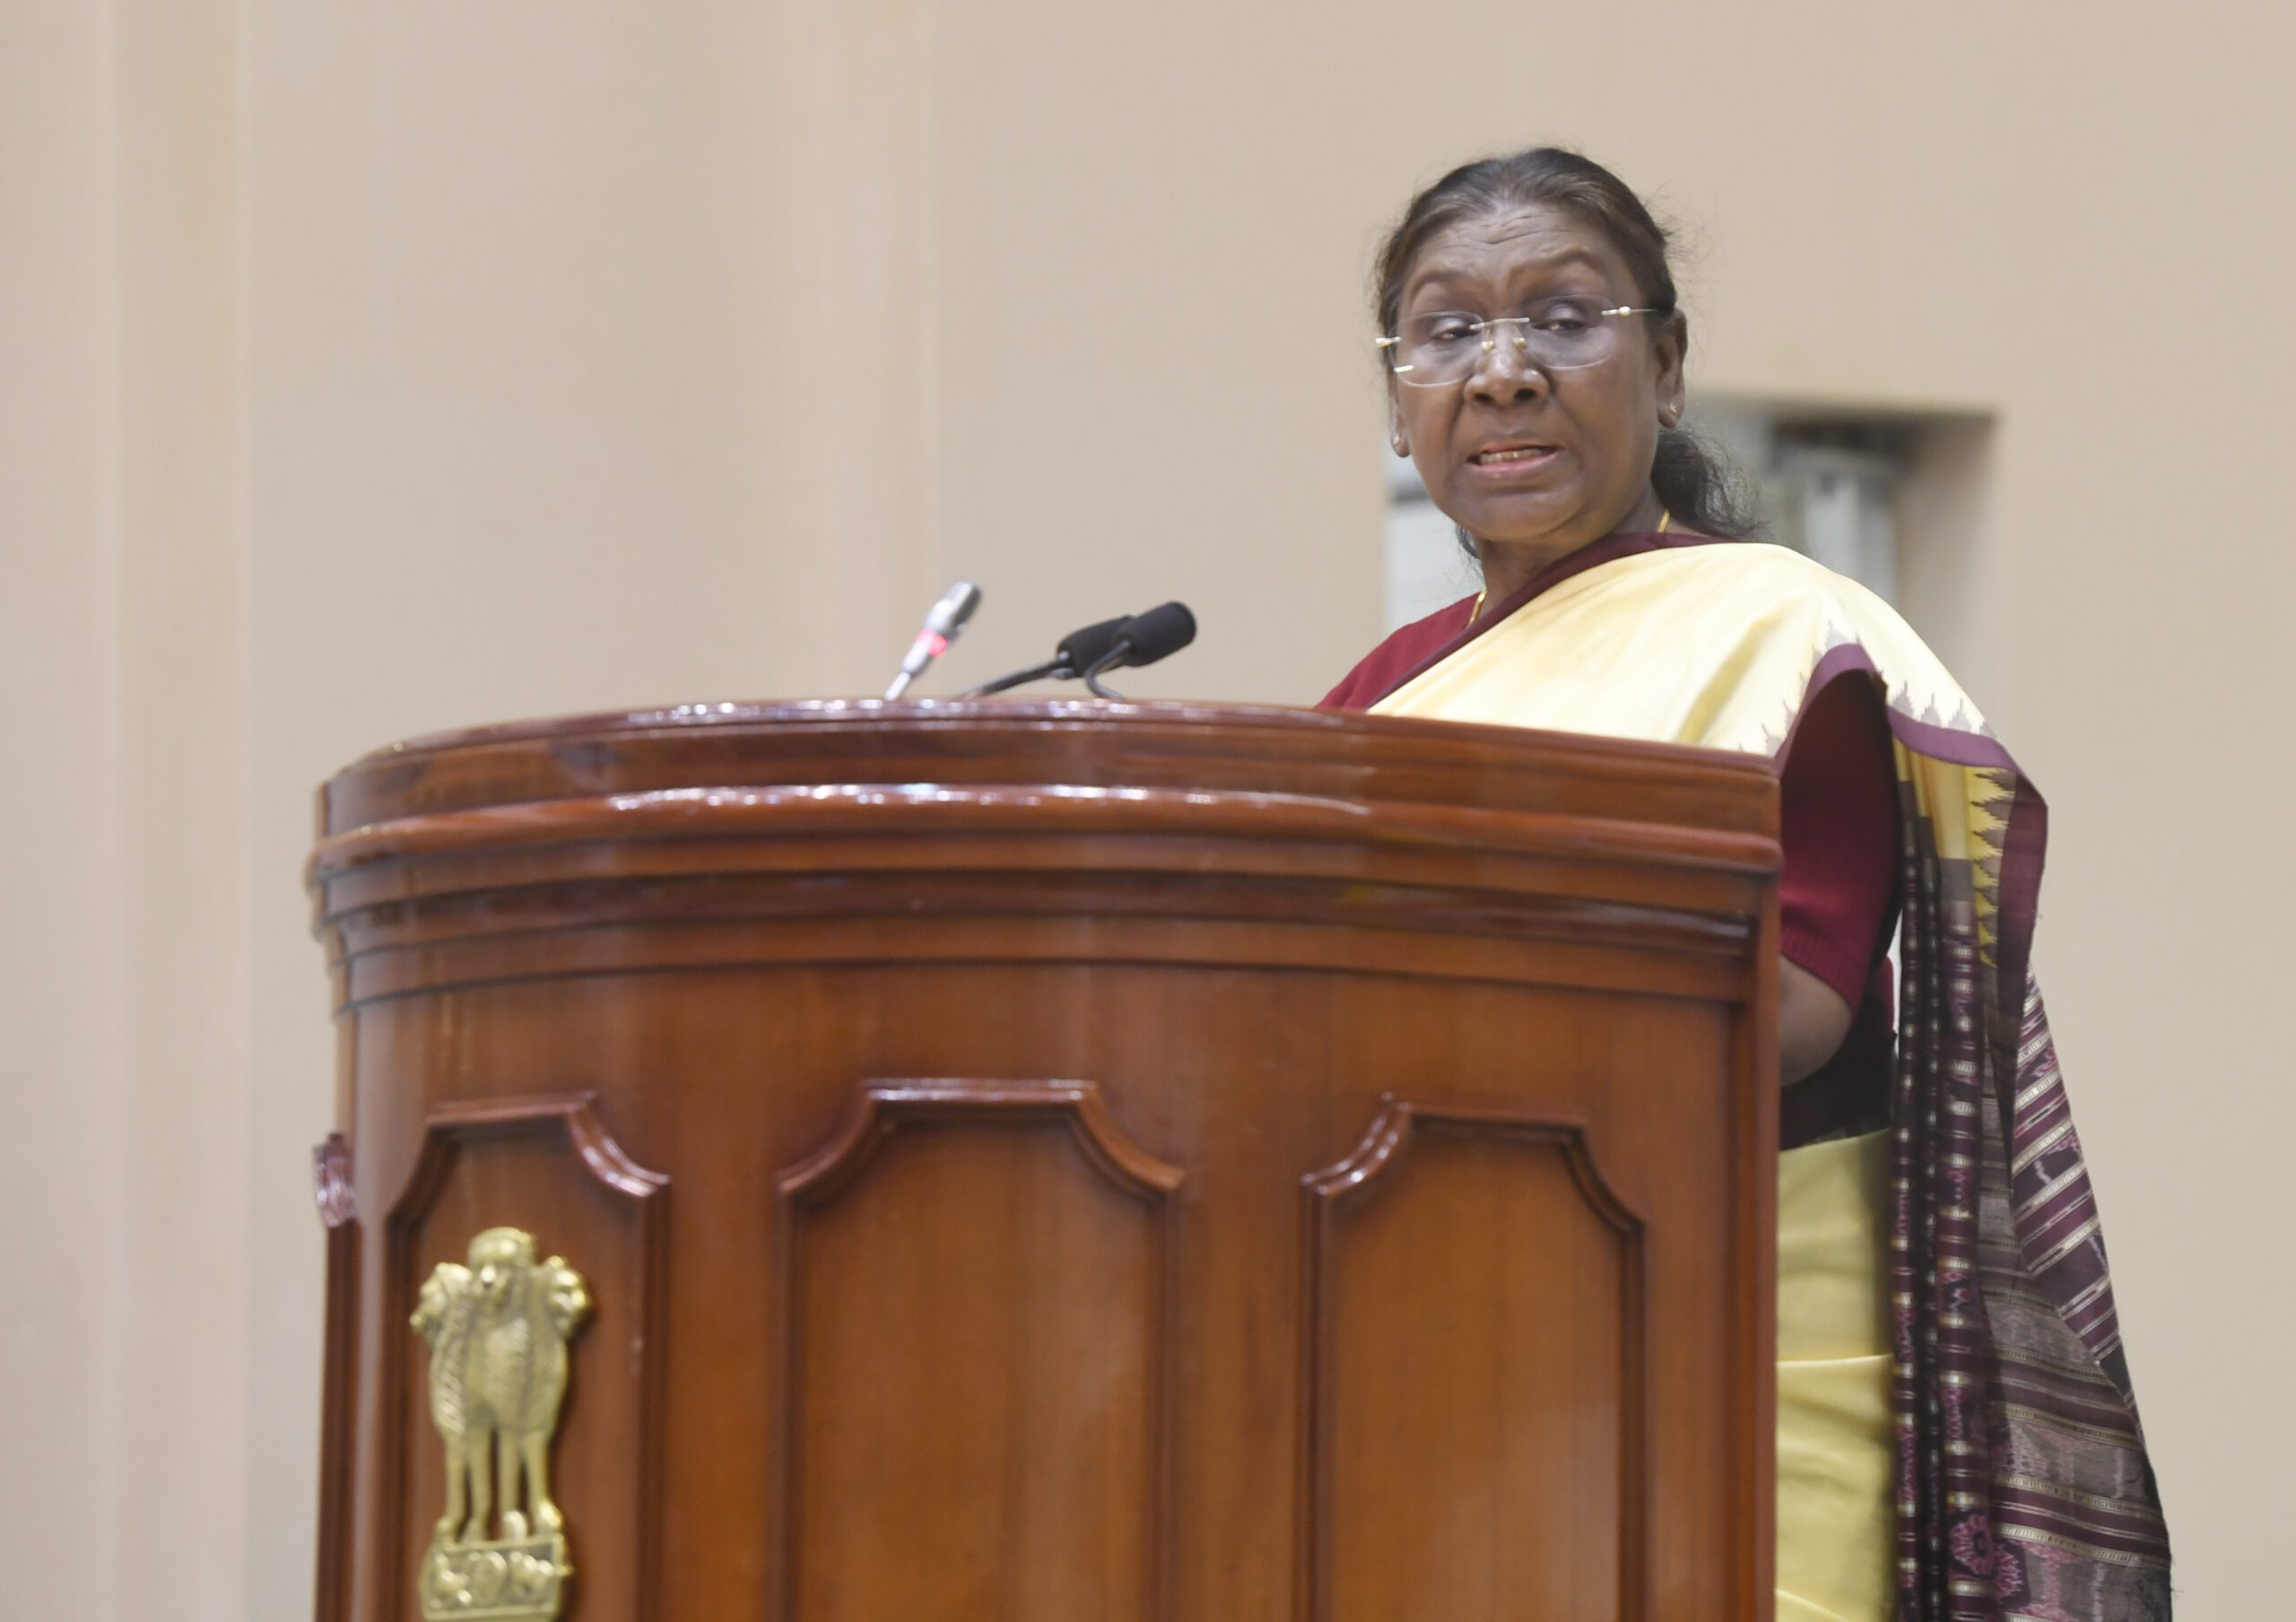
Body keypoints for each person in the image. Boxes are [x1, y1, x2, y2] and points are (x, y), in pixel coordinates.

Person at [1322, 148, 2170, 1622]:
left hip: (1727, 1347)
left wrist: (1424, 1002)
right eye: (1448, 330)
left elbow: (1787, 1009)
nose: (1504, 372)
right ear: (1399, 399)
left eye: (1565, 319)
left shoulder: (1786, 633)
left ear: (1665, 363)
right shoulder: (1373, 699)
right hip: (1439, 1332)